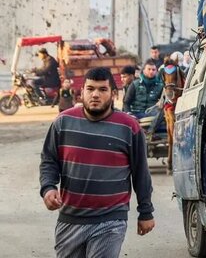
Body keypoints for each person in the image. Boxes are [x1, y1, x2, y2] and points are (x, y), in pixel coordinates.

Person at [39, 67, 154, 258]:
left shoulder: (129, 127)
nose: (95, 95)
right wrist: (48, 188)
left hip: (110, 219)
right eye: (90, 89)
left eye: (102, 89)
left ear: (114, 94)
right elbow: (49, 160)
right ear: (81, 91)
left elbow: (141, 173)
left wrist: (146, 212)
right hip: (70, 218)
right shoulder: (63, 122)